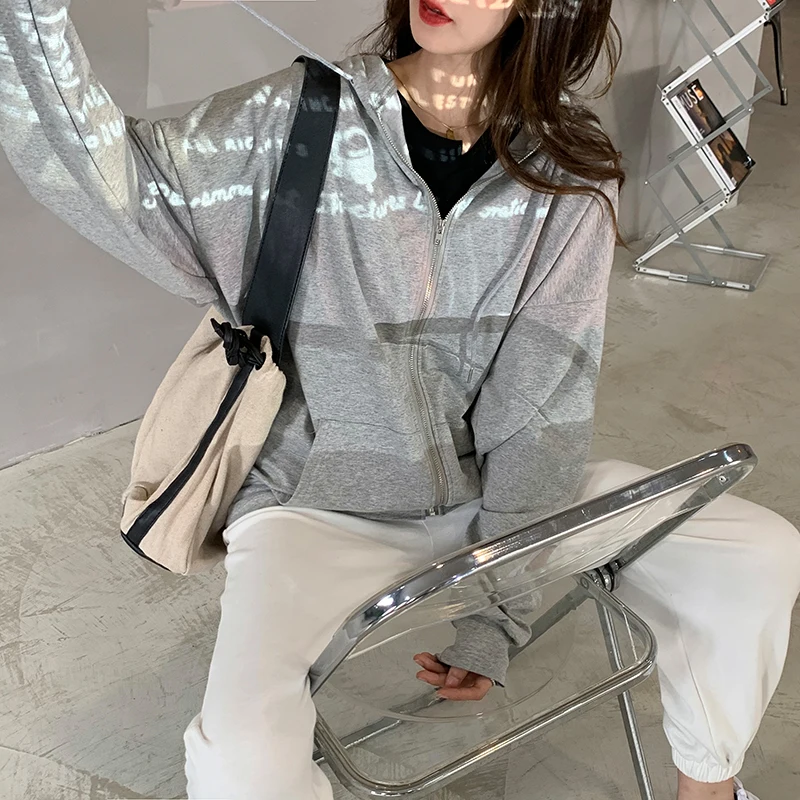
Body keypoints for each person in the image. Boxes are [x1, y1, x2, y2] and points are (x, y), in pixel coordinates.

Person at [1, 1, 799, 799]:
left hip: (482, 497)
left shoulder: (564, 170)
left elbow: (540, 412)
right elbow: (105, 174)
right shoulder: (298, 119)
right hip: (314, 509)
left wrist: (494, 613)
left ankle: (708, 793)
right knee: (238, 760)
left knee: (754, 551)